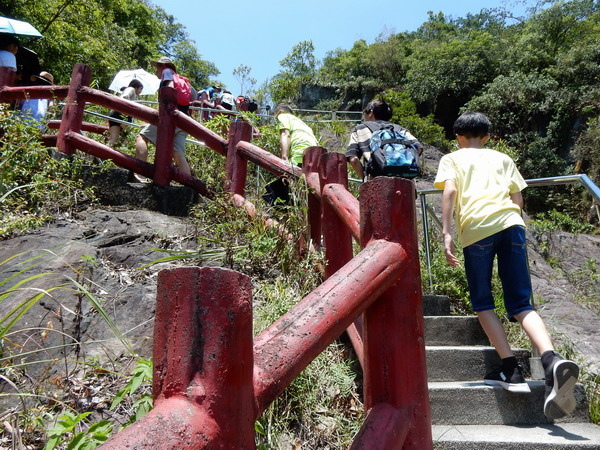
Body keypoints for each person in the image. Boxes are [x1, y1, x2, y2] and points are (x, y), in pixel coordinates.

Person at [434, 111, 580, 420]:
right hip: (512, 225)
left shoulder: (452, 159)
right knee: (520, 303)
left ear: (458, 137)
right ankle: (551, 361)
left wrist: (446, 233)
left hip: (477, 231)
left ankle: (511, 370)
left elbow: (449, 191)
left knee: (483, 301)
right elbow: (518, 200)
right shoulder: (502, 159)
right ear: (487, 136)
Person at [133, 56, 191, 182]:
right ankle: (189, 184)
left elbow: (169, 89)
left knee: (142, 137)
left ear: (162, 66)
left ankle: (141, 175)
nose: (156, 71)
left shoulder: (167, 72)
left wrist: (163, 116)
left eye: (156, 68)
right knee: (177, 152)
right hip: (184, 121)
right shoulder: (182, 80)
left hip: (170, 117)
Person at [345, 99, 423, 181]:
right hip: (406, 182)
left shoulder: (360, 129)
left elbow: (353, 159)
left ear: (371, 113)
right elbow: (419, 148)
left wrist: (365, 178)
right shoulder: (400, 129)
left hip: (376, 182)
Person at [107, 79, 143, 147]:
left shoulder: (133, 94)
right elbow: (125, 97)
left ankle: (103, 154)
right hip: (122, 115)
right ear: (136, 87)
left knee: (114, 139)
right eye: (141, 88)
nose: (141, 91)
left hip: (115, 114)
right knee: (125, 138)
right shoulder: (131, 89)